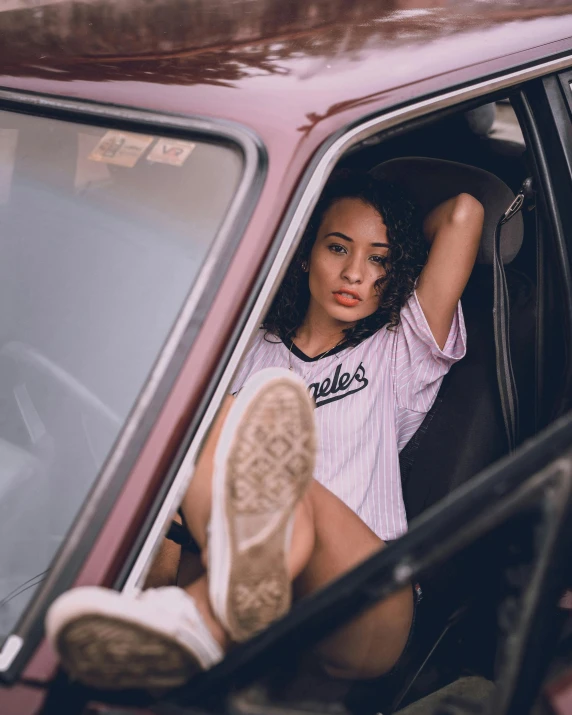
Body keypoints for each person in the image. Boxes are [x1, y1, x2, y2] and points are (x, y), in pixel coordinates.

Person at [45, 170, 484, 691]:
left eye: (379, 259)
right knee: (206, 425)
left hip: (357, 599)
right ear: (305, 254)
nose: (355, 274)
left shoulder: (398, 347)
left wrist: (403, 234)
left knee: (273, 456)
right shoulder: (248, 346)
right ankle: (184, 614)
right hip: (231, 581)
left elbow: (464, 213)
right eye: (337, 248)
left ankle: (201, 620)